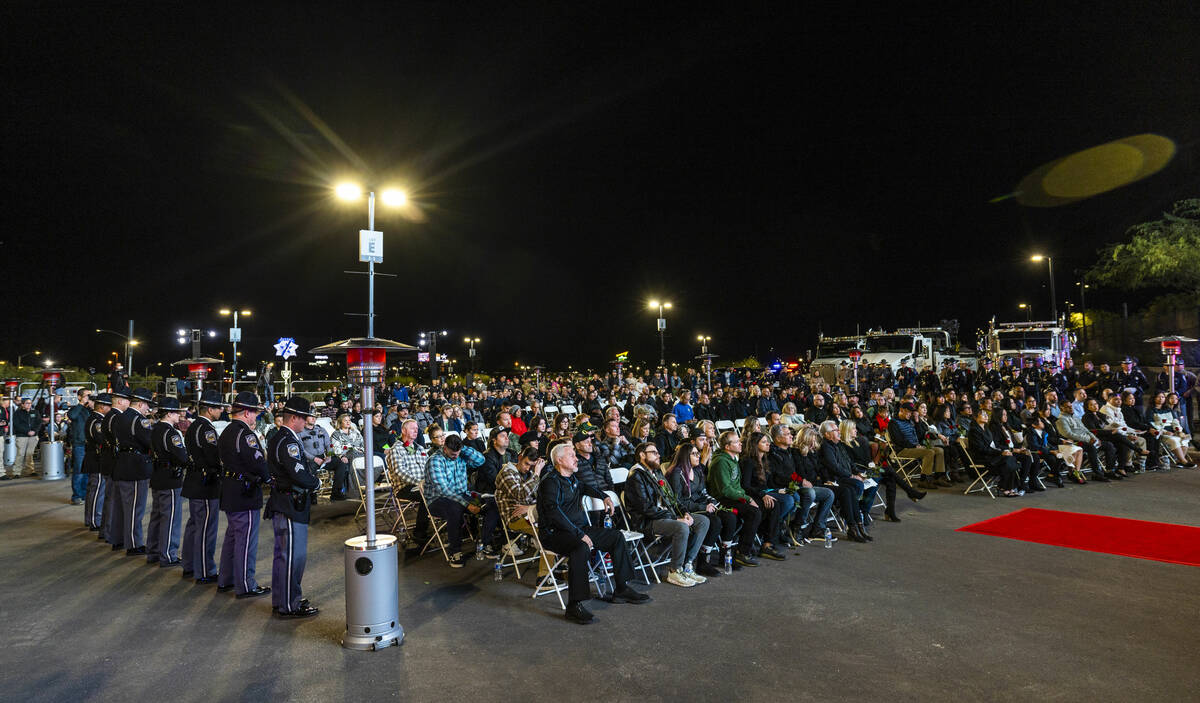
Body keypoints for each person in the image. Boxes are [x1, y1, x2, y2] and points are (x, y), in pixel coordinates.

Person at [536, 442, 650, 624]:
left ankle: (621, 588)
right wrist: (579, 534)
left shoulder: (572, 479)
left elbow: (585, 488)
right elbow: (553, 514)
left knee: (616, 536)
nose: (576, 459)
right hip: (555, 534)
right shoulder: (550, 482)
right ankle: (574, 605)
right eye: (571, 455)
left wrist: (604, 496)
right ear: (559, 460)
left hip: (578, 530)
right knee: (581, 547)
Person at [625, 442, 711, 586]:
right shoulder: (636, 475)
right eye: (654, 453)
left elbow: (672, 498)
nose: (658, 455)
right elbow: (646, 508)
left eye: (658, 452)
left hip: (665, 515)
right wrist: (676, 518)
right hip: (647, 521)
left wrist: (684, 513)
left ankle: (687, 565)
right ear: (642, 455)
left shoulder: (656, 471)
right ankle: (674, 571)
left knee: (703, 521)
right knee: (681, 527)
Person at [264, 397, 321, 619]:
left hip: (285, 500)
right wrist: (315, 483)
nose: (306, 422)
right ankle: (289, 604)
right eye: (304, 418)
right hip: (290, 501)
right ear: (294, 417)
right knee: (292, 557)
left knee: (284, 556)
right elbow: (298, 472)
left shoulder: (282, 436)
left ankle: (283, 598)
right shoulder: (287, 440)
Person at [217, 391, 272, 599]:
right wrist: (268, 478)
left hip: (231, 488)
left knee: (233, 538)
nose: (256, 417)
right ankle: (245, 585)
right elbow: (257, 461)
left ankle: (226, 579)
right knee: (246, 541)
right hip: (244, 491)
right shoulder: (245, 434)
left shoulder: (227, 431)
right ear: (247, 413)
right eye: (255, 413)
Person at [425, 433, 492, 566]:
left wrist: (463, 448)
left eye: (457, 452)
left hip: (463, 494)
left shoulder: (461, 453)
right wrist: (467, 505)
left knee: (490, 503)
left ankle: (486, 543)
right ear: (445, 448)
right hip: (438, 499)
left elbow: (481, 460)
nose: (455, 455)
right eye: (452, 453)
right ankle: (454, 552)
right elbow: (444, 490)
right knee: (455, 509)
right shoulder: (435, 461)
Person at [665, 442, 729, 577]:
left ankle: (713, 556)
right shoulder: (677, 473)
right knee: (714, 521)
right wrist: (703, 507)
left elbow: (702, 492)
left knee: (727, 516)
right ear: (685, 456)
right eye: (694, 454)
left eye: (697, 453)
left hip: (698, 506)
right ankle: (699, 561)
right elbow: (677, 502)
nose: (698, 456)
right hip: (684, 510)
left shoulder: (697, 470)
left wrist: (712, 502)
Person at [183, 389, 226, 583]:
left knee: (194, 526)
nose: (221, 411)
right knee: (206, 529)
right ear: (209, 409)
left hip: (195, 479)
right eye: (218, 408)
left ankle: (190, 565)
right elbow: (214, 457)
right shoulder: (207, 429)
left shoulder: (194, 426)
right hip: (205, 483)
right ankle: (205, 570)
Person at [706, 431, 762, 567]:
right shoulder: (721, 462)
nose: (740, 443)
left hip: (732, 497)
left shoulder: (732, 459)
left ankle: (751, 543)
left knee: (762, 505)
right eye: (736, 442)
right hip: (721, 499)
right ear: (727, 446)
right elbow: (725, 489)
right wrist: (747, 499)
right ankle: (743, 551)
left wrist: (746, 498)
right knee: (754, 512)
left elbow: (736, 486)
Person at [113, 388, 156, 556]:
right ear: (140, 403)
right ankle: (133, 543)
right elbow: (149, 441)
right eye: (147, 406)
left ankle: (119, 539)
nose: (148, 409)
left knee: (122, 506)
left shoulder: (120, 417)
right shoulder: (140, 420)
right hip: (136, 466)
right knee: (135, 508)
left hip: (122, 462)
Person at [148, 397, 189, 566]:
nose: (179, 415)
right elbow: (181, 456)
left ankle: (153, 551)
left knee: (157, 516)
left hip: (157, 474)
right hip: (170, 477)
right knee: (170, 518)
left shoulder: (155, 429)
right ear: (170, 413)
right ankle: (167, 554)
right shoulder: (170, 432)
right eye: (177, 412)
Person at [817, 421, 873, 542]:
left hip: (841, 478)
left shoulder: (838, 444)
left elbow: (849, 462)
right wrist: (852, 476)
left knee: (853, 489)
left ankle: (858, 527)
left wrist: (857, 473)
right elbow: (834, 467)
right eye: (835, 430)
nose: (838, 432)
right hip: (833, 480)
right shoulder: (826, 447)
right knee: (851, 488)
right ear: (827, 435)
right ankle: (853, 526)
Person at [889, 402, 950, 488]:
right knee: (929, 452)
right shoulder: (893, 423)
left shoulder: (910, 421)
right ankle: (924, 480)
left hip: (915, 447)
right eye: (908, 412)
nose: (909, 414)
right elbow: (898, 440)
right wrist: (914, 446)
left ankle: (938, 477)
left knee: (940, 450)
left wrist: (917, 422)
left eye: (911, 412)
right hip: (902, 449)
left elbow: (919, 435)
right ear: (901, 410)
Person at [100, 388, 130, 546]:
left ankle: (106, 531)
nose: (129, 403)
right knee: (113, 500)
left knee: (110, 498)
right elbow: (117, 440)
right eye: (127, 400)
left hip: (109, 460)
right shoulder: (117, 417)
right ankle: (110, 532)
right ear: (120, 401)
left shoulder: (110, 416)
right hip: (113, 461)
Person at [967, 410, 1021, 496]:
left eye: (986, 415)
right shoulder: (974, 431)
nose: (986, 416)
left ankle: (1007, 487)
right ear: (975, 417)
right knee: (1008, 460)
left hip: (991, 455)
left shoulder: (987, 429)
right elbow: (981, 449)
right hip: (982, 457)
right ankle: (1006, 487)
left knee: (1009, 458)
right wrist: (1000, 452)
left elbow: (993, 446)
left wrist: (1002, 451)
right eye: (983, 415)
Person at [82, 393, 113, 530]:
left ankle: (91, 518)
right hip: (97, 458)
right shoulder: (97, 421)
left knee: (94, 490)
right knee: (97, 491)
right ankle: (95, 520)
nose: (110, 408)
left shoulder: (95, 419)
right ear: (101, 406)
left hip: (94, 457)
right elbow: (102, 440)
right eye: (108, 406)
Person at [329, 413, 364, 500]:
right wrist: (342, 456)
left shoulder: (356, 432)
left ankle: (362, 486)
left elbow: (363, 445)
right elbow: (336, 449)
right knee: (352, 455)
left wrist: (359, 450)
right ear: (340, 423)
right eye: (345, 421)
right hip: (345, 455)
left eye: (349, 420)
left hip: (359, 454)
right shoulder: (336, 434)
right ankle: (354, 490)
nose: (348, 422)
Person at [66, 388, 92, 504]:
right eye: (86, 396)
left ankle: (84, 494)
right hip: (79, 444)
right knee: (79, 471)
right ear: (80, 397)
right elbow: (72, 416)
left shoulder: (89, 410)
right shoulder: (76, 409)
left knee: (87, 471)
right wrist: (82, 404)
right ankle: (76, 496)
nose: (88, 398)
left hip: (90, 444)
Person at [11, 397, 42, 478]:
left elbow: (39, 423)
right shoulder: (18, 413)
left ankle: (30, 470)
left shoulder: (35, 412)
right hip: (22, 436)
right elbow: (17, 424)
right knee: (20, 454)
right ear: (22, 404)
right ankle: (16, 472)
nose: (29, 405)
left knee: (30, 454)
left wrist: (34, 431)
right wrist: (27, 431)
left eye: (30, 403)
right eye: (27, 403)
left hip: (33, 436)